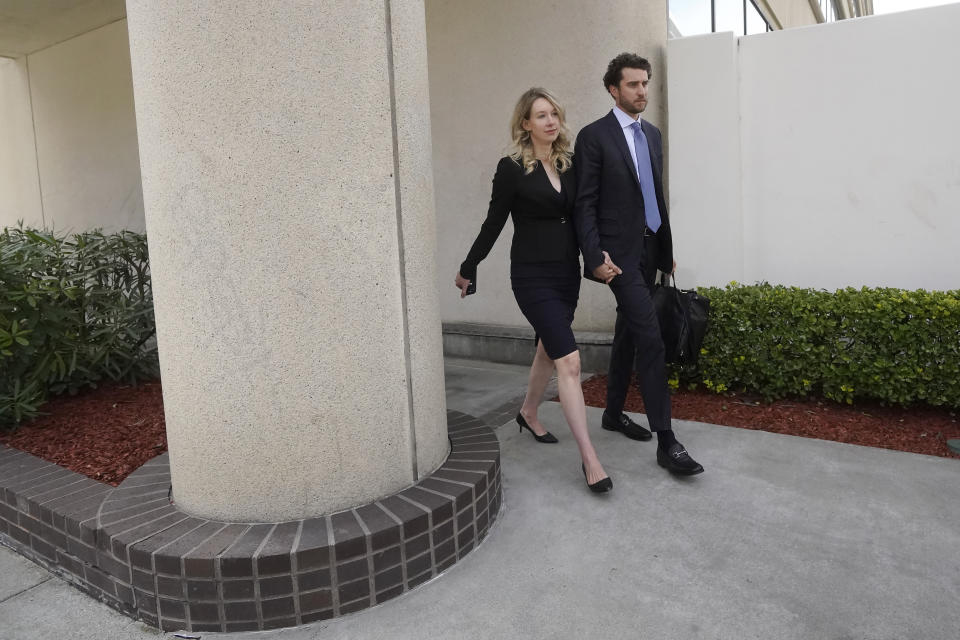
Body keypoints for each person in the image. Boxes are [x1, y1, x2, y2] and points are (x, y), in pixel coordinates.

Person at [455, 88, 612, 493]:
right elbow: (493, 222)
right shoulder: (511, 168)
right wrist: (469, 266)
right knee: (570, 362)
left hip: (566, 275)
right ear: (525, 123)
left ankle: (528, 411)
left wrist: (599, 255)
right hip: (531, 276)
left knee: (549, 346)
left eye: (554, 113)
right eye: (540, 115)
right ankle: (590, 460)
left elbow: (583, 217)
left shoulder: (568, 163)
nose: (550, 121)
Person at [573, 53, 704, 475]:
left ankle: (612, 413)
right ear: (614, 89)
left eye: (644, 83)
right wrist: (594, 258)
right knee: (651, 338)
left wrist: (665, 248)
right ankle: (667, 442)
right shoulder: (594, 137)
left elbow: (654, 196)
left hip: (650, 249)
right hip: (618, 257)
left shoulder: (653, 134)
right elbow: (584, 203)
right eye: (632, 84)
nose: (642, 91)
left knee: (629, 329)